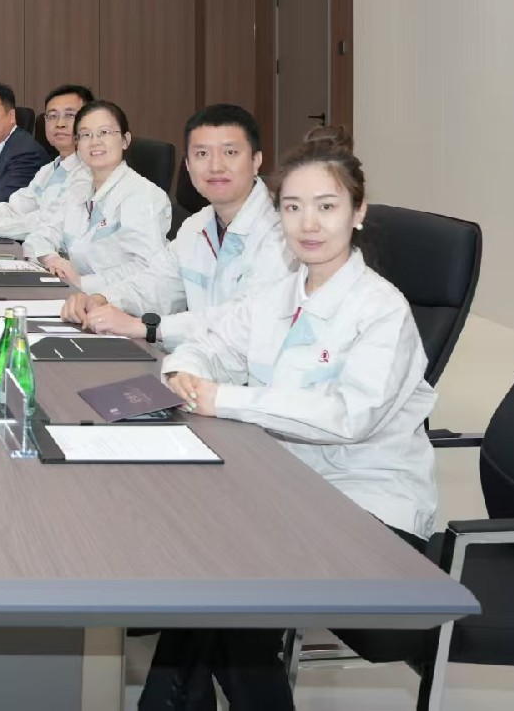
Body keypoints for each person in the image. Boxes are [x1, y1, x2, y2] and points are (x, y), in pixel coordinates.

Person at [139, 128, 437, 710]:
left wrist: (225, 399)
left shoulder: (382, 310)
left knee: (228, 589)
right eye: (293, 208)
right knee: (206, 565)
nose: (308, 224)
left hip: (368, 503)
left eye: (326, 207)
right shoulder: (278, 293)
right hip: (283, 482)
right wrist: (184, 373)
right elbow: (211, 343)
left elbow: (347, 418)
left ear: (358, 213)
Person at [68, 104, 294, 349]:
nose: (215, 166)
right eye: (202, 154)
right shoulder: (196, 226)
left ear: (256, 160)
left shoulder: (283, 233)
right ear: (187, 166)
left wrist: (147, 328)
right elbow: (157, 281)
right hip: (198, 359)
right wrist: (101, 299)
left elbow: (245, 320)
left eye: (230, 152)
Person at [22, 100, 181, 312]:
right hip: (73, 297)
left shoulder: (144, 196)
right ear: (77, 144)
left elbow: (147, 268)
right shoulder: (78, 185)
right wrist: (51, 259)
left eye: (104, 132)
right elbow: (42, 231)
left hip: (121, 310)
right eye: (85, 135)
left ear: (125, 140)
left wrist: (82, 283)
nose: (94, 142)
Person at [0, 84, 92, 239]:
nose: (60, 123)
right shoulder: (49, 170)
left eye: (70, 115)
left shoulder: (91, 171)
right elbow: (14, 208)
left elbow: (49, 223)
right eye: (52, 116)